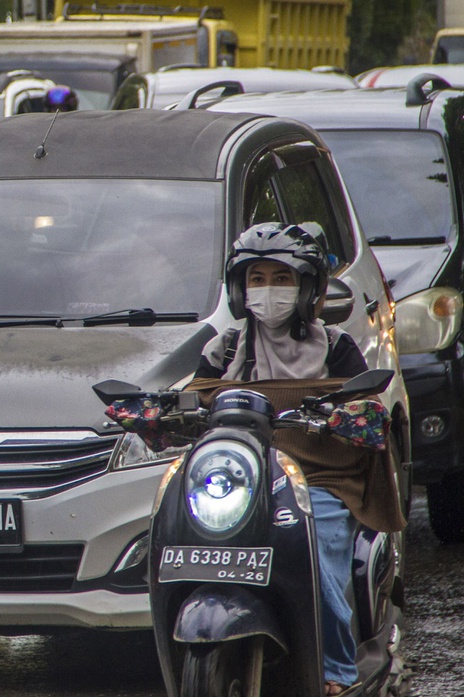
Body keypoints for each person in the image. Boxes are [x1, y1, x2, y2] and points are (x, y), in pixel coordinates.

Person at [194, 222, 391, 696]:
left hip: (320, 477)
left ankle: (338, 672)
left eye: (281, 279)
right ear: (240, 290)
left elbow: (369, 414)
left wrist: (346, 416)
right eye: (256, 279)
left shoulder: (337, 347)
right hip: (244, 478)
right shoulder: (223, 349)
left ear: (307, 287)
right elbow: (192, 399)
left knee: (316, 562)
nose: (268, 291)